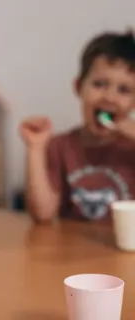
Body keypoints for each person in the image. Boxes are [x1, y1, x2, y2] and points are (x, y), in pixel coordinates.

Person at [20, 30, 135, 223]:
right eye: (99, 84)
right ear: (78, 87)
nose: (109, 97)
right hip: (73, 249)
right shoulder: (60, 146)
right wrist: (35, 148)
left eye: (124, 90)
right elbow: (43, 214)